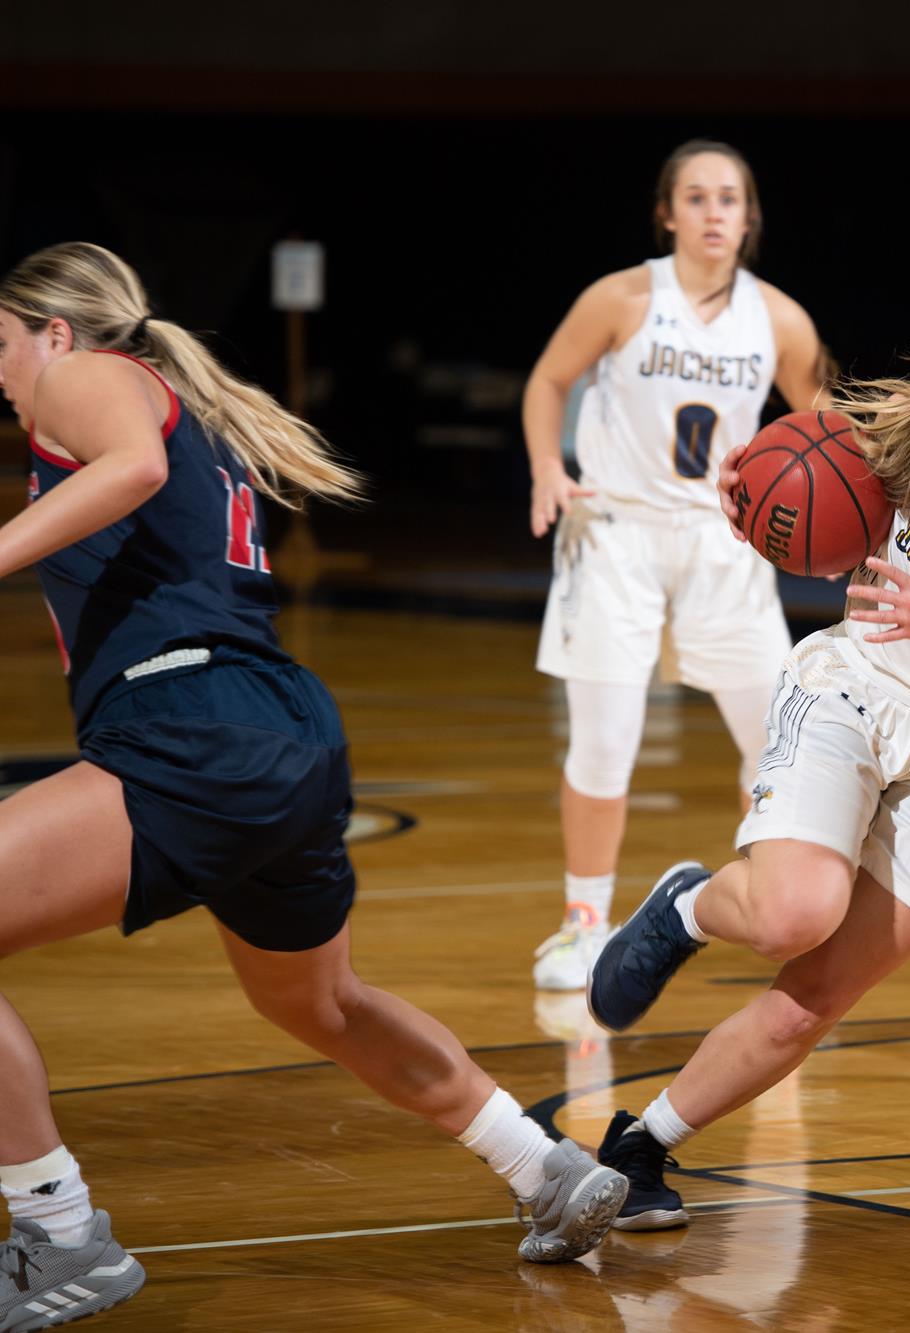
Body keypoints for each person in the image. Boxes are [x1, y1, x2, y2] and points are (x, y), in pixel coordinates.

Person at [0, 243, 626, 1328]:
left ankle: (58, 1235)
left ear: (56, 331)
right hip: (283, 730)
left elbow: (134, 473)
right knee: (316, 1000)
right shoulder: (166, 401)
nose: (2, 368)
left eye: (2, 343)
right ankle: (547, 1170)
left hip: (194, 728)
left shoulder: (82, 375)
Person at [578, 256, 910, 1231]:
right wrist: (746, 492)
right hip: (855, 690)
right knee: (796, 911)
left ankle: (640, 1146)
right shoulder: (903, 429)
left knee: (813, 996)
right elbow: (790, 484)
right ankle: (690, 906)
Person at [524, 139, 827, 993]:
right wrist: (550, 465)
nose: (713, 213)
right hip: (614, 528)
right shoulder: (622, 297)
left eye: (729, 198)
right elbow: (548, 381)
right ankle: (583, 921)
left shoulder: (780, 319)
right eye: (695, 198)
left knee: (778, 742)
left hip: (721, 537)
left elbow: (828, 428)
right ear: (667, 212)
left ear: (749, 215)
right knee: (605, 741)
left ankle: (776, 903)